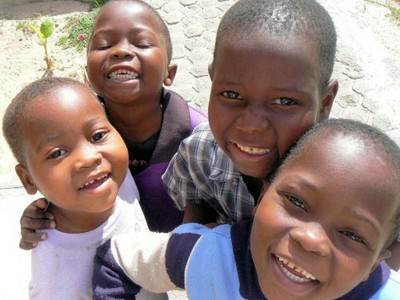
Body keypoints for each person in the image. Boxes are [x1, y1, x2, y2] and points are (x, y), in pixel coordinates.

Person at [160, 0, 400, 270]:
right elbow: (196, 202)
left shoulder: (364, 178)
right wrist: (202, 243)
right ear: (212, 80)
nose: (252, 125)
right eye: (231, 95)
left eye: (285, 102)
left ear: (325, 102)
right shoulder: (199, 152)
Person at [92, 118, 400, 299]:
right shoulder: (203, 254)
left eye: (352, 234)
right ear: (263, 193)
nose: (311, 239)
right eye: (296, 201)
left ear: (374, 263)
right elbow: (117, 259)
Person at [18, 0, 208, 249]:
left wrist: (181, 250)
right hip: (115, 260)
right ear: (87, 74)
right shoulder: (73, 135)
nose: (121, 52)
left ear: (169, 73)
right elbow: (65, 191)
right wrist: (42, 215)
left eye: (141, 43)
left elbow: (216, 204)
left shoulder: (200, 137)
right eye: (104, 44)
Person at [2, 77, 166, 299]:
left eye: (97, 136)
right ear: (28, 180)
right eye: (57, 153)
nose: (89, 158)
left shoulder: (117, 177)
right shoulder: (56, 280)